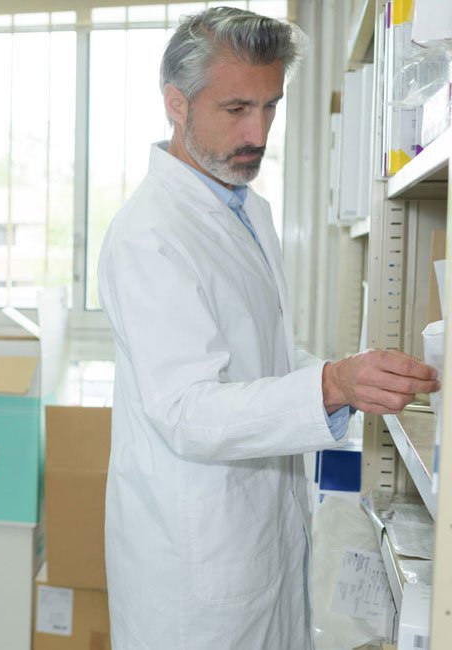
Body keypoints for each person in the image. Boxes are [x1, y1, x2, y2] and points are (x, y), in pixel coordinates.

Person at [97, 8, 440, 649]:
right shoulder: (151, 234)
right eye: (236, 109)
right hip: (195, 567)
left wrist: (347, 377)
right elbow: (187, 410)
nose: (257, 132)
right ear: (176, 103)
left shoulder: (243, 208)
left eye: (271, 106)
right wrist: (331, 386)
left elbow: (261, 359)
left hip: (260, 537)